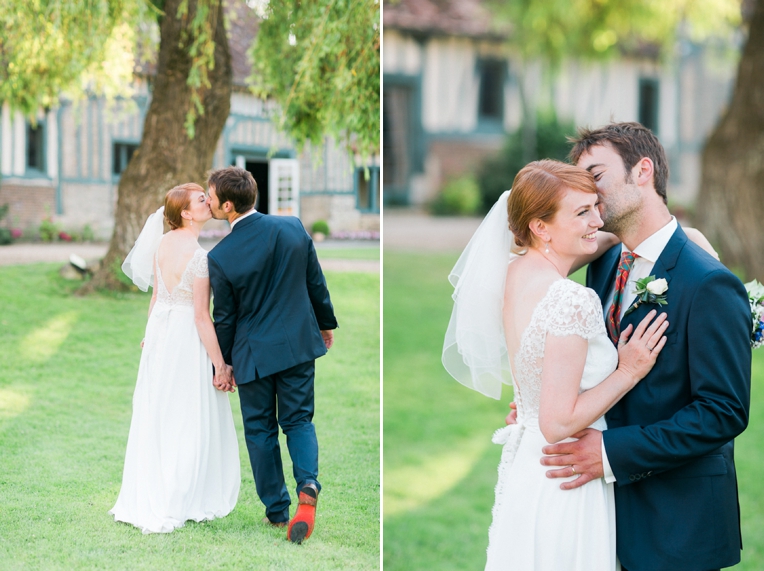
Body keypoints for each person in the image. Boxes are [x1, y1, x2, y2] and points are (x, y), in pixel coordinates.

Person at [537, 122, 751, 571]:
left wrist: (611, 452)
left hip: (679, 526)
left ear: (643, 171)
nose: (589, 196)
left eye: (596, 177)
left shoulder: (708, 282)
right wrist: (544, 397)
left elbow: (723, 411)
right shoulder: (605, 264)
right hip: (605, 519)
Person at [444, 159, 670, 570]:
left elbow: (542, 393)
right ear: (540, 227)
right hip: (568, 473)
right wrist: (628, 372)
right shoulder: (570, 298)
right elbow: (558, 421)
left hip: (529, 467)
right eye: (582, 213)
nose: (598, 221)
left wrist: (669, 236)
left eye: (595, 208)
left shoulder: (513, 275)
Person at [205, 166, 338, 544]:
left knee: (261, 430)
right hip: (297, 344)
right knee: (298, 420)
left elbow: (225, 318)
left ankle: (278, 511)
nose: (209, 201)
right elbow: (316, 281)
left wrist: (223, 362)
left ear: (228, 205)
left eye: (212, 196)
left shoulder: (221, 255)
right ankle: (308, 484)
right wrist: (324, 322)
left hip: (253, 355)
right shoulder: (292, 227)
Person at [110, 183, 240, 534]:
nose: (208, 203)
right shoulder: (199, 256)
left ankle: (154, 488)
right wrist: (220, 364)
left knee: (159, 412)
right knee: (186, 414)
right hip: (184, 337)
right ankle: (177, 495)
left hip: (160, 334)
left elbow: (156, 298)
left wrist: (149, 334)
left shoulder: (163, 245)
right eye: (201, 200)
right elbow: (201, 316)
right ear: (185, 212)